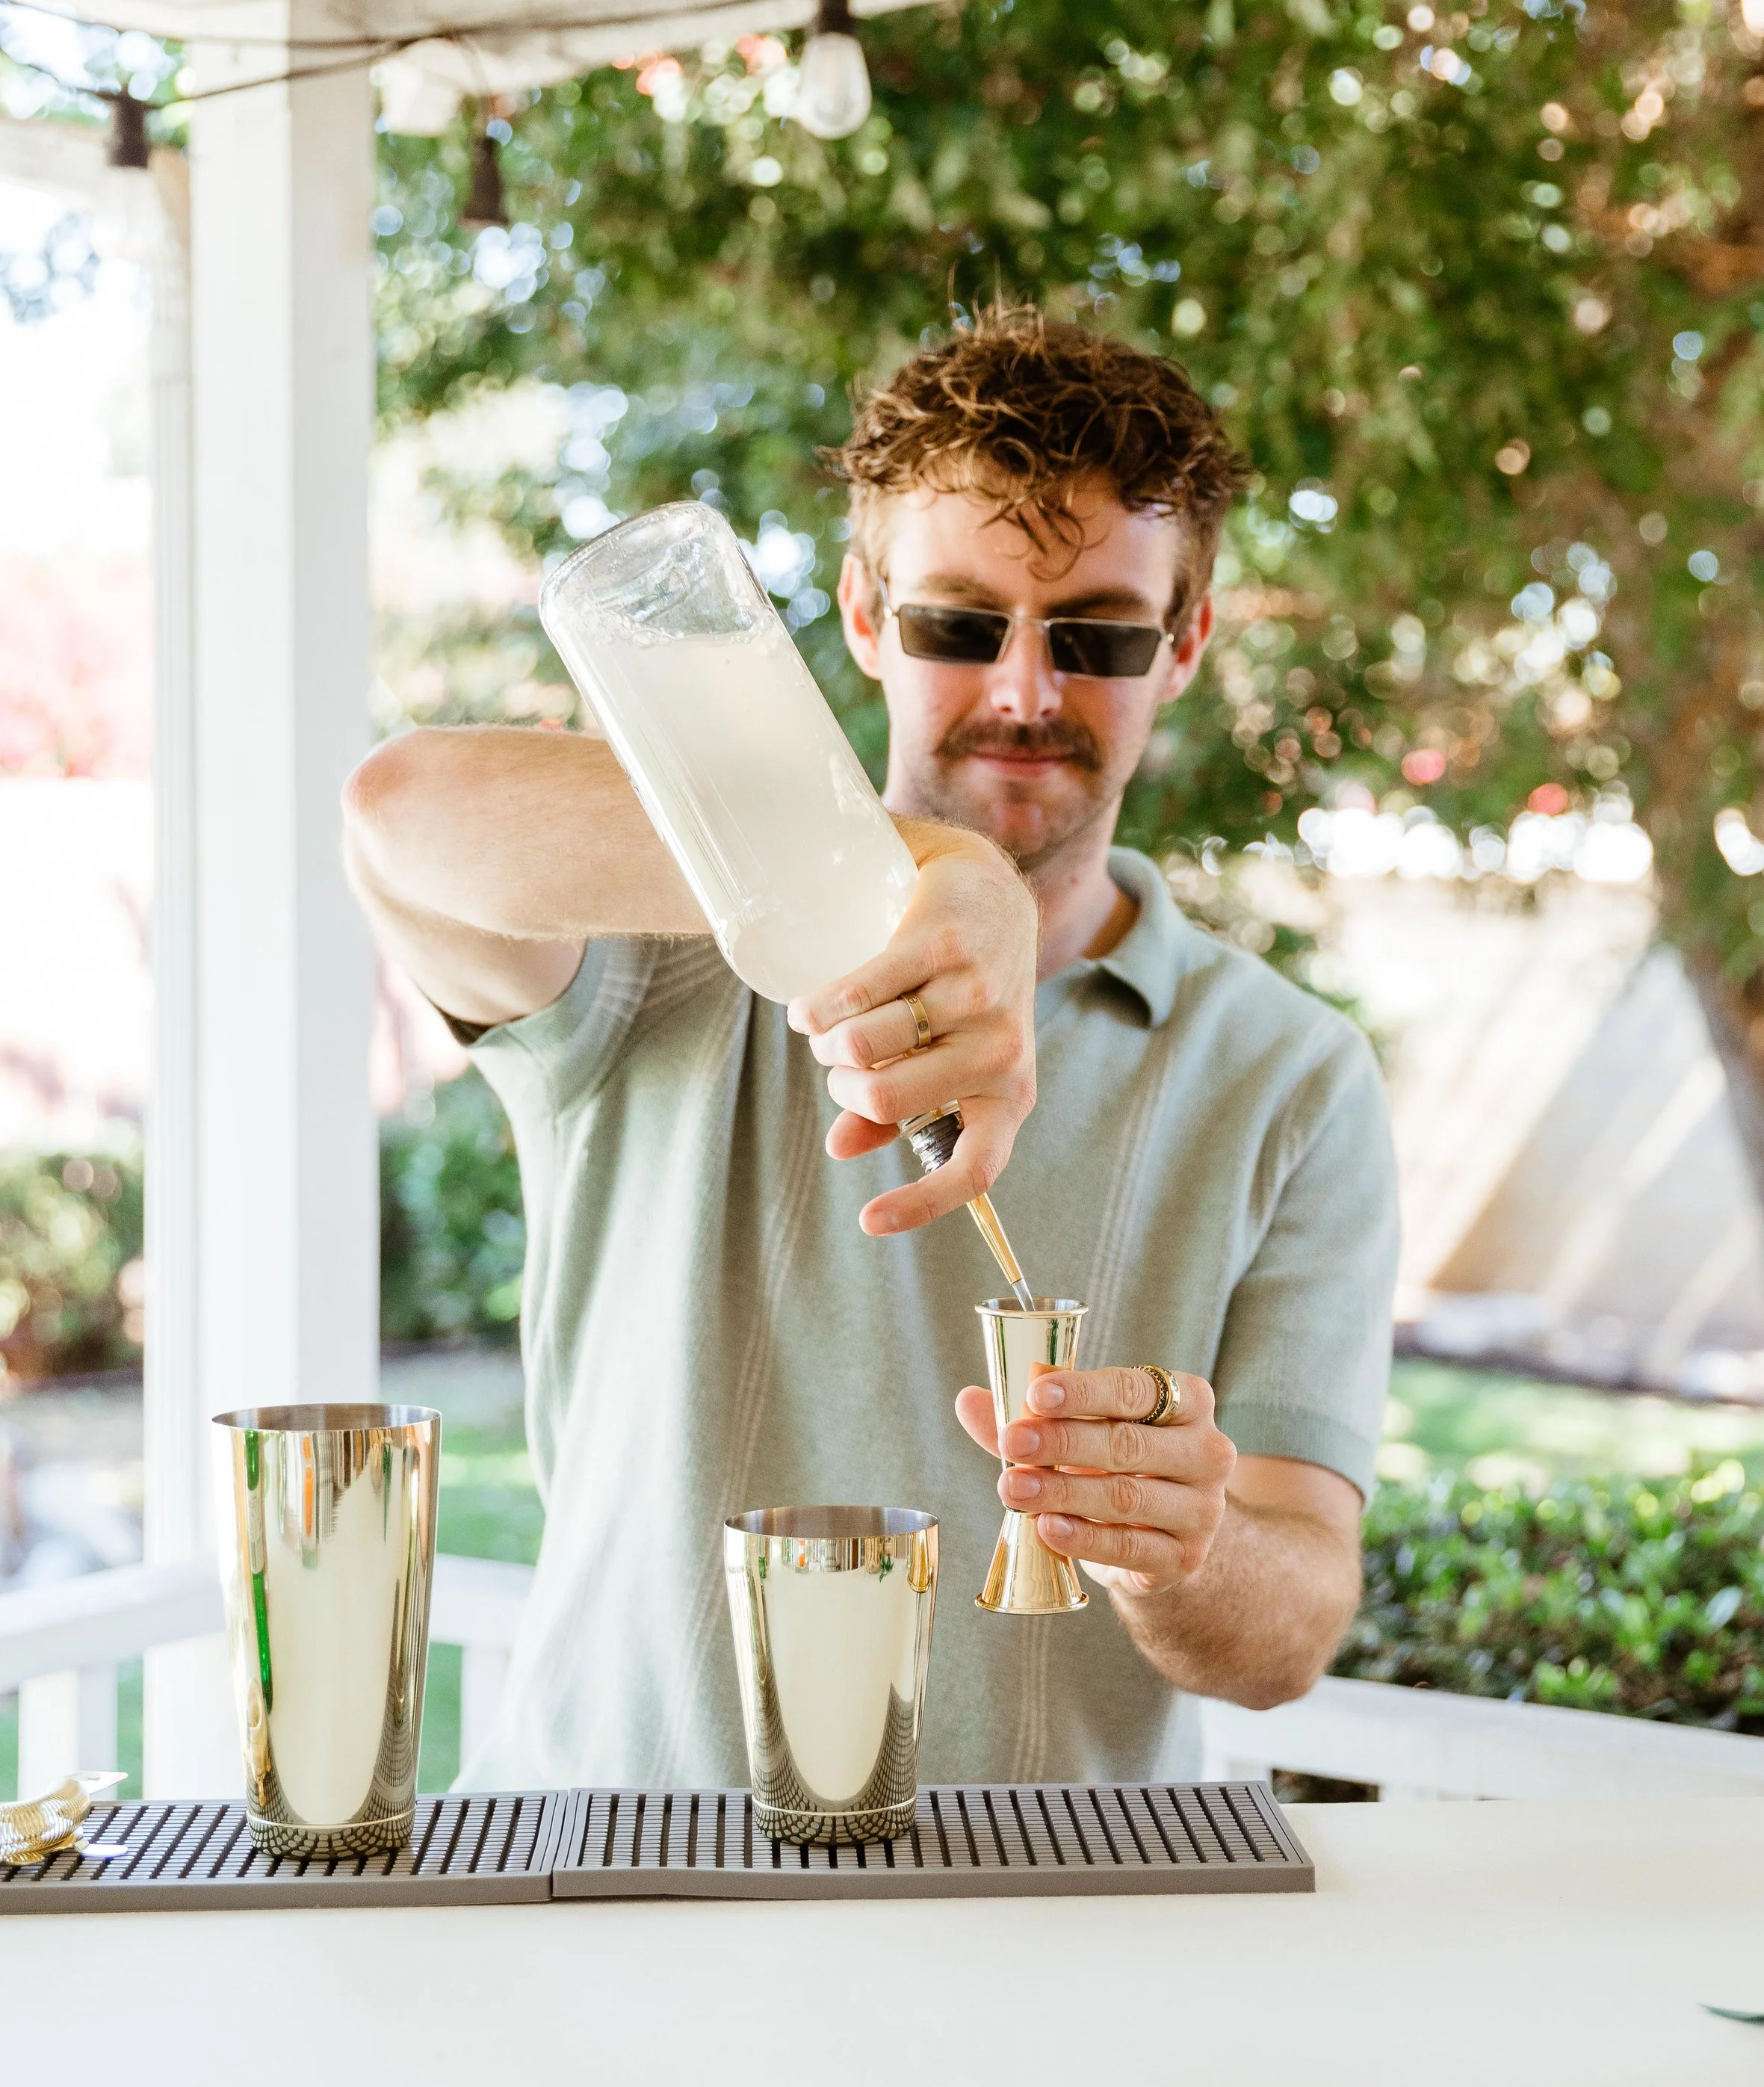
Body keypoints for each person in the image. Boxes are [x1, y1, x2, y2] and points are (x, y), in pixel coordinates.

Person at [343, 308, 1398, 1789]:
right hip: (613, 1901)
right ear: (859, 616)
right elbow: (397, 812)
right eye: (960, 624)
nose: (1025, 693)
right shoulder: (657, 954)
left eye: (1093, 633)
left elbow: (1285, 1635)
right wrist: (915, 869)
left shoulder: (1287, 1076)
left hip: (1038, 1924)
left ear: (1184, 644)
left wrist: (1186, 1543)